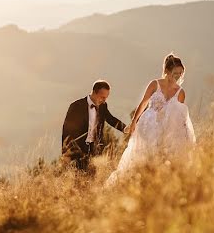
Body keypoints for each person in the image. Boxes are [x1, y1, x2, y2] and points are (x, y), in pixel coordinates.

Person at [106, 53, 196, 186]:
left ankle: (156, 184)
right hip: (148, 125)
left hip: (167, 129)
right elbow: (143, 103)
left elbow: (180, 116)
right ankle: (135, 183)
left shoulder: (180, 92)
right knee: (143, 156)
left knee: (162, 158)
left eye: (180, 73)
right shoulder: (155, 84)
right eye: (175, 73)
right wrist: (133, 123)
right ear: (166, 71)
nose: (177, 76)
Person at [61, 80, 127, 173]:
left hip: (94, 149)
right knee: (78, 180)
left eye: (106, 98)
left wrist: (125, 128)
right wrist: (66, 153)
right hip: (78, 149)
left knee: (91, 179)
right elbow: (66, 130)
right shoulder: (76, 106)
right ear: (94, 92)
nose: (104, 100)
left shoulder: (103, 106)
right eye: (102, 97)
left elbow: (110, 119)